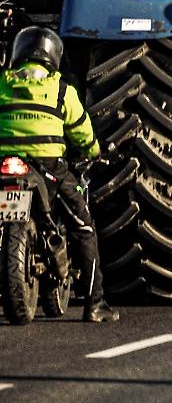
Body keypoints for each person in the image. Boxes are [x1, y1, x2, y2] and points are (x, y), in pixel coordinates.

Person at [0, 27, 118, 322]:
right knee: (83, 226)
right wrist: (93, 152)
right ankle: (95, 304)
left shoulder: (2, 82)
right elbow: (82, 131)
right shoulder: (61, 89)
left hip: (5, 163)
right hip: (48, 168)